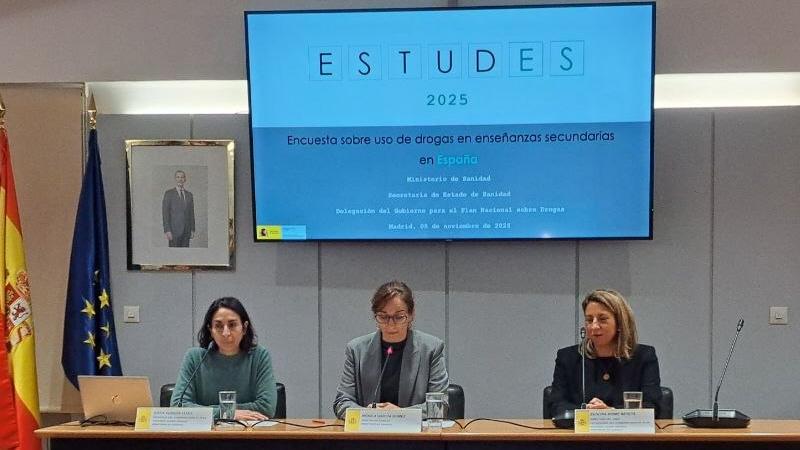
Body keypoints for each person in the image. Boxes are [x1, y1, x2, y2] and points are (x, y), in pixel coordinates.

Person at [333, 280, 449, 419]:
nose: (391, 325)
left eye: (399, 317)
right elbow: (342, 402)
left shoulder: (432, 349)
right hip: (369, 430)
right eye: (383, 317)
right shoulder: (356, 350)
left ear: (411, 315)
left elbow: (440, 406)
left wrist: (399, 414)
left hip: (414, 432)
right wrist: (367, 415)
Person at [548, 288, 662, 417]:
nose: (594, 326)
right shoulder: (568, 357)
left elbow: (652, 406)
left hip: (626, 430)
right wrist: (588, 412)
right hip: (580, 429)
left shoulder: (643, 356)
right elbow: (556, 404)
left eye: (602, 319)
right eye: (589, 320)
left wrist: (610, 412)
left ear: (620, 323)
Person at [170, 297, 277, 420]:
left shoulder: (259, 356)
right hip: (206, 432)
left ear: (244, 328)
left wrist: (208, 412)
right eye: (219, 326)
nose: (226, 333)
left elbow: (266, 407)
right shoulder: (195, 358)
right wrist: (227, 413)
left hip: (249, 430)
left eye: (232, 325)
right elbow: (178, 406)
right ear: (210, 330)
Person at [162, 169, 195, 247]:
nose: (180, 179)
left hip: (187, 231)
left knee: (185, 253)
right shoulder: (169, 193)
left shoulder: (189, 195)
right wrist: (167, 230)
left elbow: (191, 213)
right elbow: (165, 213)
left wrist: (192, 229)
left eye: (182, 177)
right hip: (174, 232)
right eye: (178, 177)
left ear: (185, 179)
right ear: (175, 179)